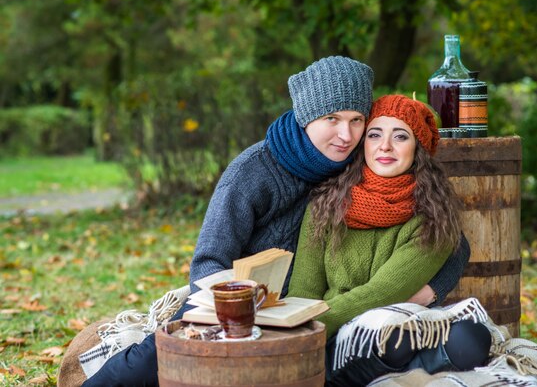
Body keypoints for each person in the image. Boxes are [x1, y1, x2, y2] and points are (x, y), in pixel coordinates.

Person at [81, 59, 469, 386]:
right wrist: (245, 309)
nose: (346, 134)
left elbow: (450, 240)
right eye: (331, 118)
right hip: (236, 303)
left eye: (356, 120)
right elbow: (206, 264)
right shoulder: (254, 171)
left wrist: (428, 291)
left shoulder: (359, 162)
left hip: (308, 310)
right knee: (161, 358)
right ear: (306, 115)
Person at [288, 94, 489, 386]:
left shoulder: (434, 216)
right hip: (333, 334)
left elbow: (383, 292)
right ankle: (407, 370)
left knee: (468, 338)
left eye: (400, 136)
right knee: (394, 341)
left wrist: (312, 323)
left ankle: (371, 373)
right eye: (374, 134)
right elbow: (304, 289)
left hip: (390, 322)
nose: (385, 146)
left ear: (417, 149)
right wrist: (298, 330)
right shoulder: (326, 204)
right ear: (363, 144)